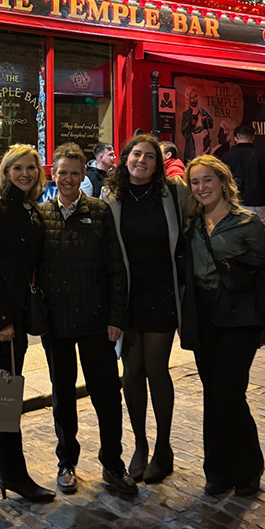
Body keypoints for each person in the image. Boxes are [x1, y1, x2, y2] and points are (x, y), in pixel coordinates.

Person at [38, 143, 137, 498]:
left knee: (107, 397)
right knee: (62, 397)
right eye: (62, 172)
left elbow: (116, 269)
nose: (67, 179)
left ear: (84, 175)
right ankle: (66, 462)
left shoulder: (99, 211)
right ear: (53, 174)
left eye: (75, 173)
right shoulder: (41, 214)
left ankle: (113, 463)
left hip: (97, 322)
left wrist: (116, 317)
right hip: (57, 325)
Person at [0, 145, 55, 503]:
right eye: (17, 168)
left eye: (30, 168)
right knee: (5, 396)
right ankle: (14, 475)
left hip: (17, 313)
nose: (24, 173)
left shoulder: (29, 209)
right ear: (5, 171)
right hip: (0, 319)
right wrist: (2, 320)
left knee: (0, 391)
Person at [183, 155, 265, 498]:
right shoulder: (192, 225)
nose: (201, 188)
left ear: (222, 182)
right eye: (195, 182)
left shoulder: (247, 222)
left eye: (207, 180)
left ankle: (248, 467)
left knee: (229, 394)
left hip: (239, 317)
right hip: (204, 318)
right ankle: (217, 470)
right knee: (211, 395)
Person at [102, 134, 186, 484]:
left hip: (162, 291)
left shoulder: (173, 194)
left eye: (149, 156)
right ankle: (140, 444)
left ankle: (164, 448)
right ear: (125, 158)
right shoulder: (111, 196)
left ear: (158, 163)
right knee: (131, 372)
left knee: (156, 368)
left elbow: (205, 208)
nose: (142, 161)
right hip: (128, 294)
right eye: (136, 154)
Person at [222, 125, 265, 225]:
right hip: (258, 204)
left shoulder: (227, 156)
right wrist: (261, 190)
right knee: (261, 236)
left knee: (237, 236)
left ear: (236, 137)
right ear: (253, 137)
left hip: (234, 204)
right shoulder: (262, 156)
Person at [181, 86, 213, 161]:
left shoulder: (202, 111)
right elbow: (184, 130)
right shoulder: (187, 113)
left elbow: (210, 123)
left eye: (195, 96)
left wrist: (206, 120)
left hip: (203, 138)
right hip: (193, 140)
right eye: (191, 98)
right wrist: (191, 123)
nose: (194, 99)